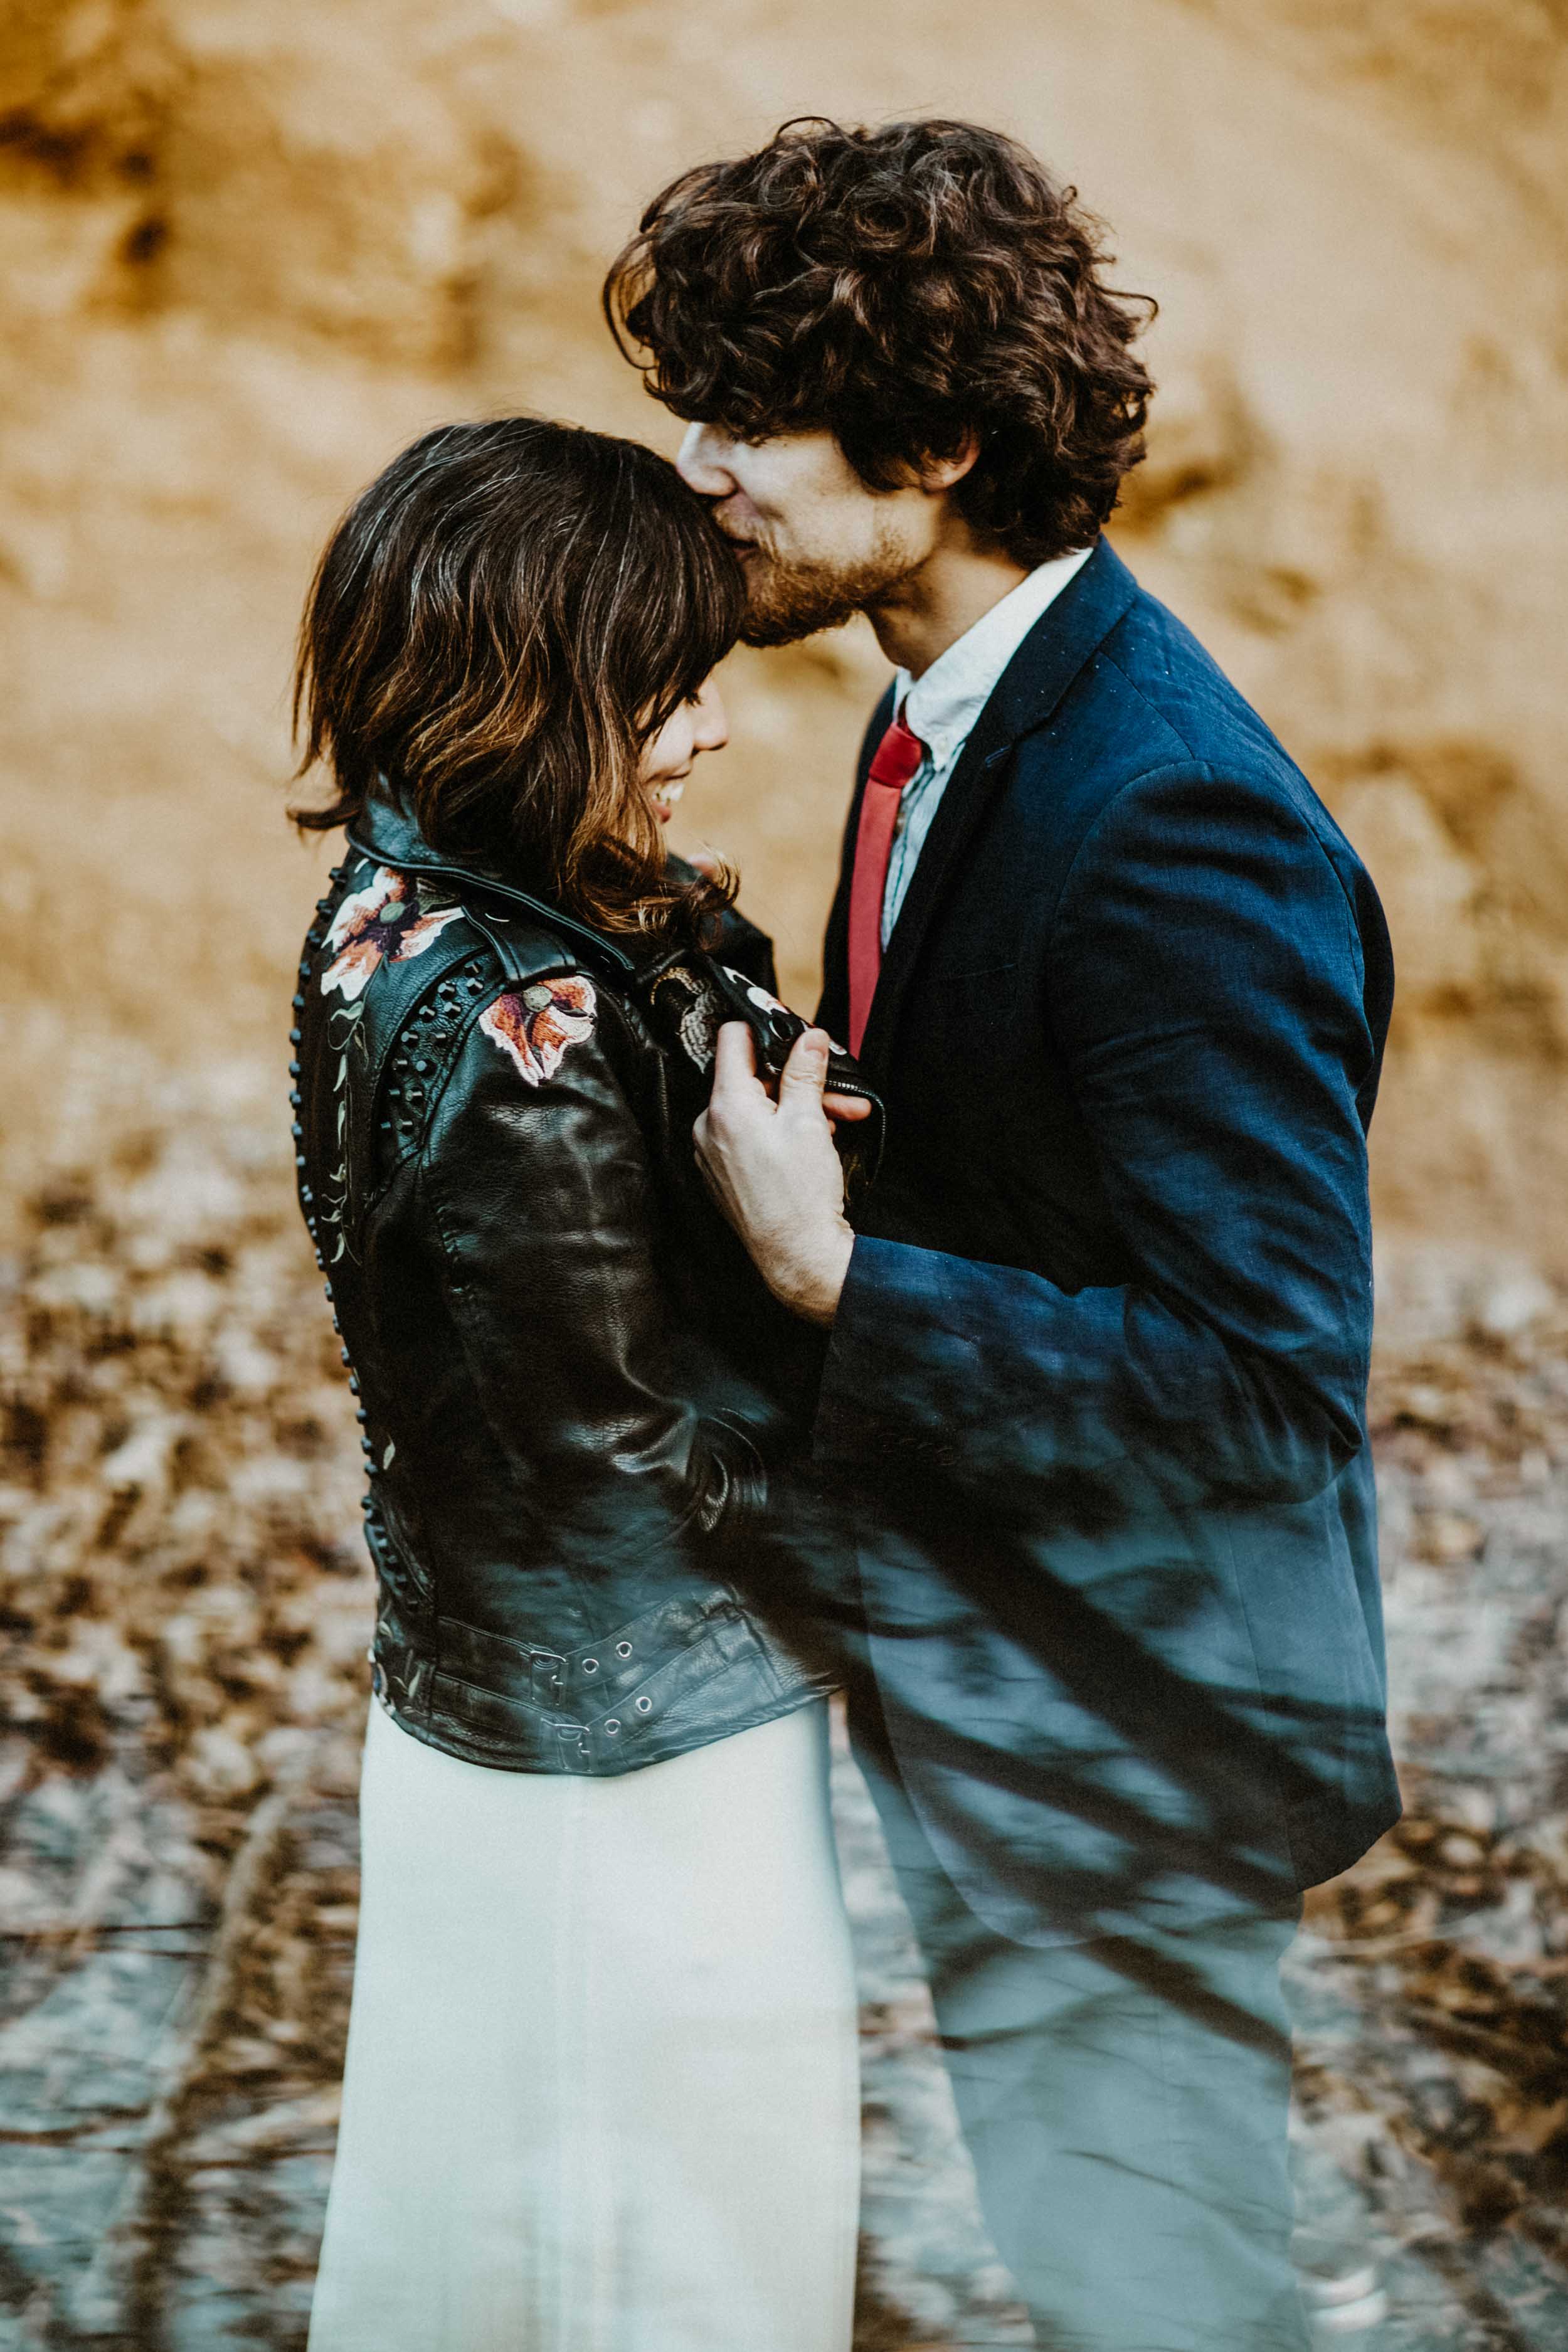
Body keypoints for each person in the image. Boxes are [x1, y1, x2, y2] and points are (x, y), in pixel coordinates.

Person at [605, 116, 1401, 2351]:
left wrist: (835, 1277)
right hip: (1006, 1679)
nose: (697, 466)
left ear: (938, 442)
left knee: (1152, 2290)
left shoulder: (1167, 812)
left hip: (1131, 1733)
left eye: (746, 415)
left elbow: (1263, 1389)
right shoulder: (934, 714)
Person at [287, 416, 874, 2352]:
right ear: (533, 690)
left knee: (508, 2259)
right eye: (664, 685)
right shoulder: (520, 1017)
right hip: (629, 1779)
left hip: (510, 1722)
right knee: (656, 2265)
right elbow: (612, 1472)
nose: (705, 728)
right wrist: (912, 1504)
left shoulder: (402, 906)